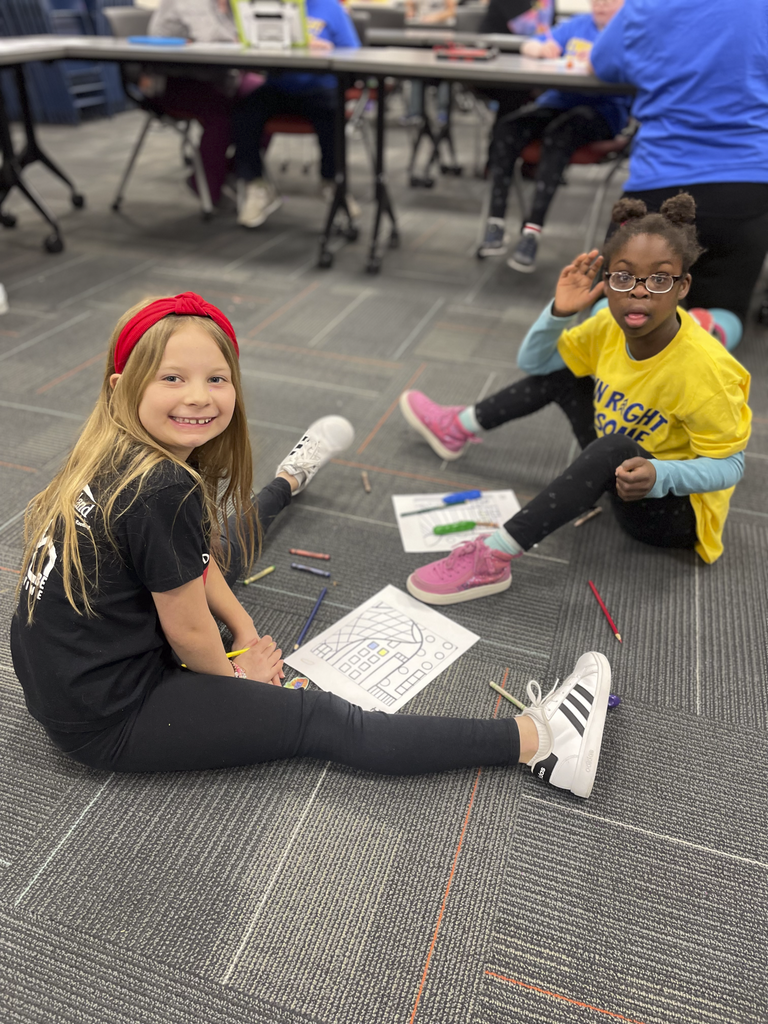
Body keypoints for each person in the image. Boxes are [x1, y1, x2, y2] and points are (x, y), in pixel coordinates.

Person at [10, 292, 612, 798]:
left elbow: (198, 563)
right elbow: (190, 635)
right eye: (173, 378)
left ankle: (291, 479)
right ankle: (542, 741)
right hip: (109, 716)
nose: (198, 396)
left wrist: (245, 631)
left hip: (66, 679)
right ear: (124, 387)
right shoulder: (163, 487)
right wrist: (237, 679)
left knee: (223, 548)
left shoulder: (120, 452)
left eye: (216, 379)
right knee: (320, 720)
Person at [401, 195, 751, 604]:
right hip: (618, 468)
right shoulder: (605, 322)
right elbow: (535, 364)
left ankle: (493, 557)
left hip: (671, 510)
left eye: (659, 280)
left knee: (614, 447)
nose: (639, 293)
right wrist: (559, 313)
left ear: (682, 286)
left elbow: (731, 465)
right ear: (607, 282)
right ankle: (456, 427)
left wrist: (662, 476)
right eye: (624, 277)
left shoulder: (707, 370)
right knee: (566, 372)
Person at [589, 0, 768, 348]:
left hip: (658, 184)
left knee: (619, 296)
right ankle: (708, 333)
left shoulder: (646, 6)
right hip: (746, 183)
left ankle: (610, 333)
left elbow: (602, 64)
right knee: (723, 312)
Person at [477, 0, 630, 274]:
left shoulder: (630, 30)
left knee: (561, 134)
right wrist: (540, 48)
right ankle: (496, 222)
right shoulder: (578, 25)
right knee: (508, 128)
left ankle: (532, 231)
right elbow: (530, 43)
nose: (601, 4)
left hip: (603, 111)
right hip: (557, 102)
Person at [232, 0, 360, 229]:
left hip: (320, 87)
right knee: (246, 112)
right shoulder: (269, 7)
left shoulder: (330, 8)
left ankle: (333, 184)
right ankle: (256, 185)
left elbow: (354, 53)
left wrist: (326, 49)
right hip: (280, 87)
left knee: (332, 116)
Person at [148, 0, 261, 208]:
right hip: (173, 80)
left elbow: (245, 34)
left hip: (213, 76)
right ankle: (207, 184)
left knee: (264, 97)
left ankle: (232, 169)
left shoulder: (226, 4)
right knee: (223, 111)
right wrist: (244, 38)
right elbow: (212, 38)